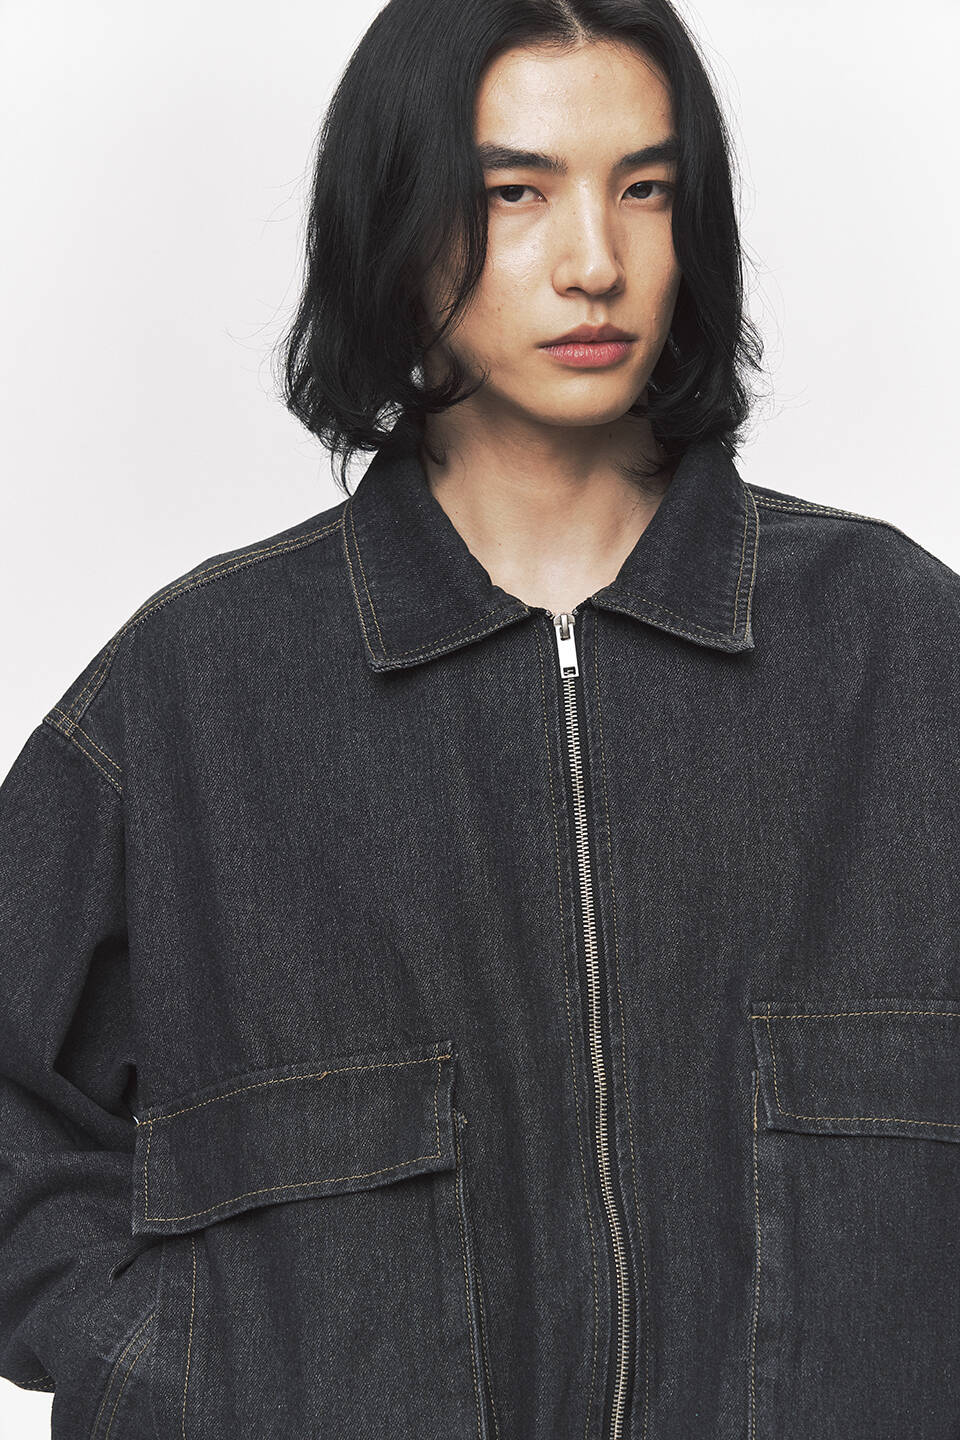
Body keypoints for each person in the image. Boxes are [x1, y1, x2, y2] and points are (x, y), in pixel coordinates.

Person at [2, 1, 959, 1438]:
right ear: (395, 223)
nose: (596, 262)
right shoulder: (203, 689)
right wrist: (192, 1376)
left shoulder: (897, 648)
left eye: (646, 188)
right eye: (517, 193)